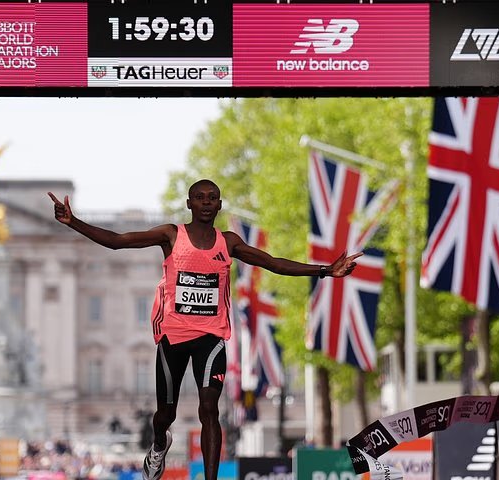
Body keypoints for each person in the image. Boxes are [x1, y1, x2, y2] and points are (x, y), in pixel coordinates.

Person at [48, 180, 361, 480]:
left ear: (220, 204)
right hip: (173, 336)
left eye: (213, 197)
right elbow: (118, 242)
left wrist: (325, 271)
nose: (207, 202)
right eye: (200, 197)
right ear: (189, 203)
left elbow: (272, 263)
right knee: (164, 416)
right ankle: (159, 444)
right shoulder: (171, 235)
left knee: (209, 408)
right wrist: (73, 222)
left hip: (211, 338)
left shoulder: (229, 242)